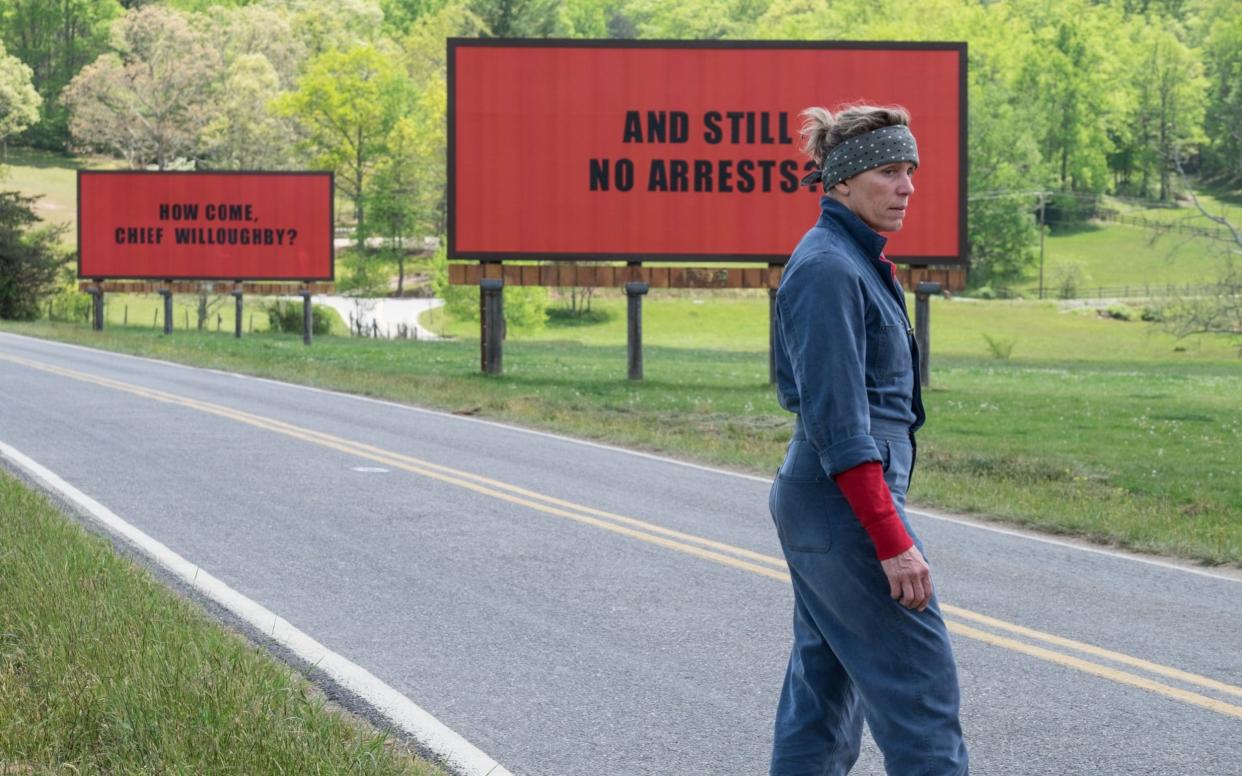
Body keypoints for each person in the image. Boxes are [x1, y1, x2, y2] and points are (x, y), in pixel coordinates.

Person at [768, 104, 969, 775]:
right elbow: (838, 422)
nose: (907, 186)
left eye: (910, 170)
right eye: (889, 170)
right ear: (843, 182)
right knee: (921, 695)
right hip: (843, 502)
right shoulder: (829, 268)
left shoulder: (849, 260)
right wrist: (891, 539)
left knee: (823, 694)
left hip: (829, 501)